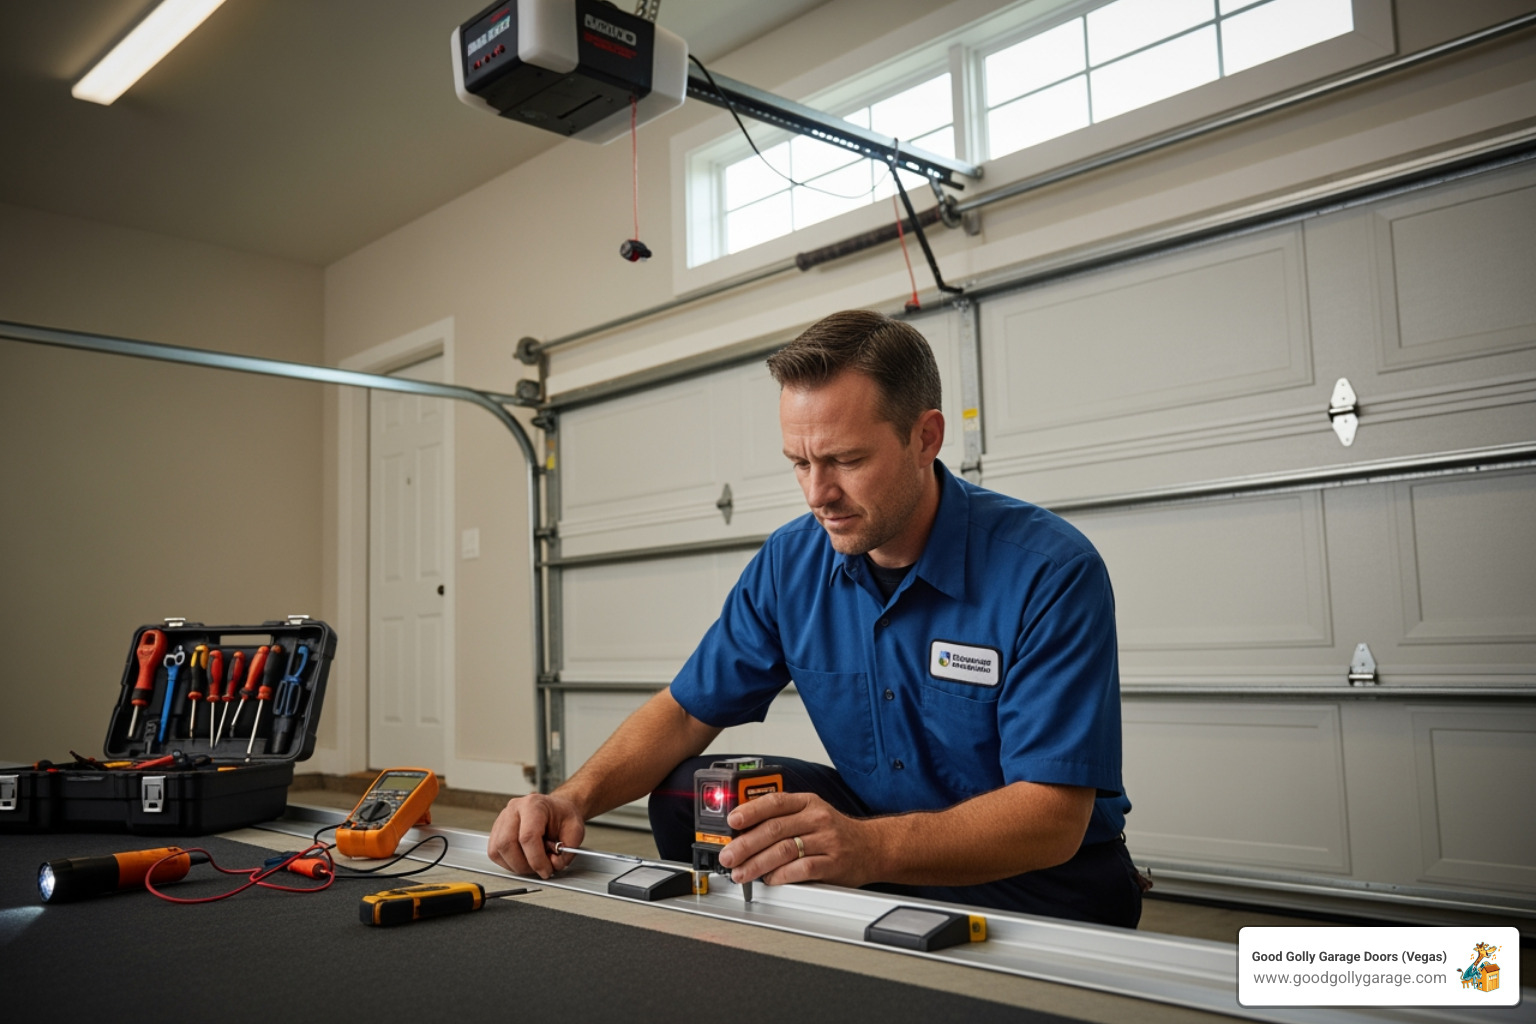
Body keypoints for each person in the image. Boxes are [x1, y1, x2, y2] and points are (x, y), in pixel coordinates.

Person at [488, 309, 1142, 927]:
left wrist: (870, 850)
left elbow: (1053, 816)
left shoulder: (1049, 571)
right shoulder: (789, 564)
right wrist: (570, 798)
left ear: (926, 437)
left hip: (1038, 872)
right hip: (873, 837)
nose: (817, 494)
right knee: (691, 791)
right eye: (800, 463)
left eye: (846, 461)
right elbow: (686, 713)